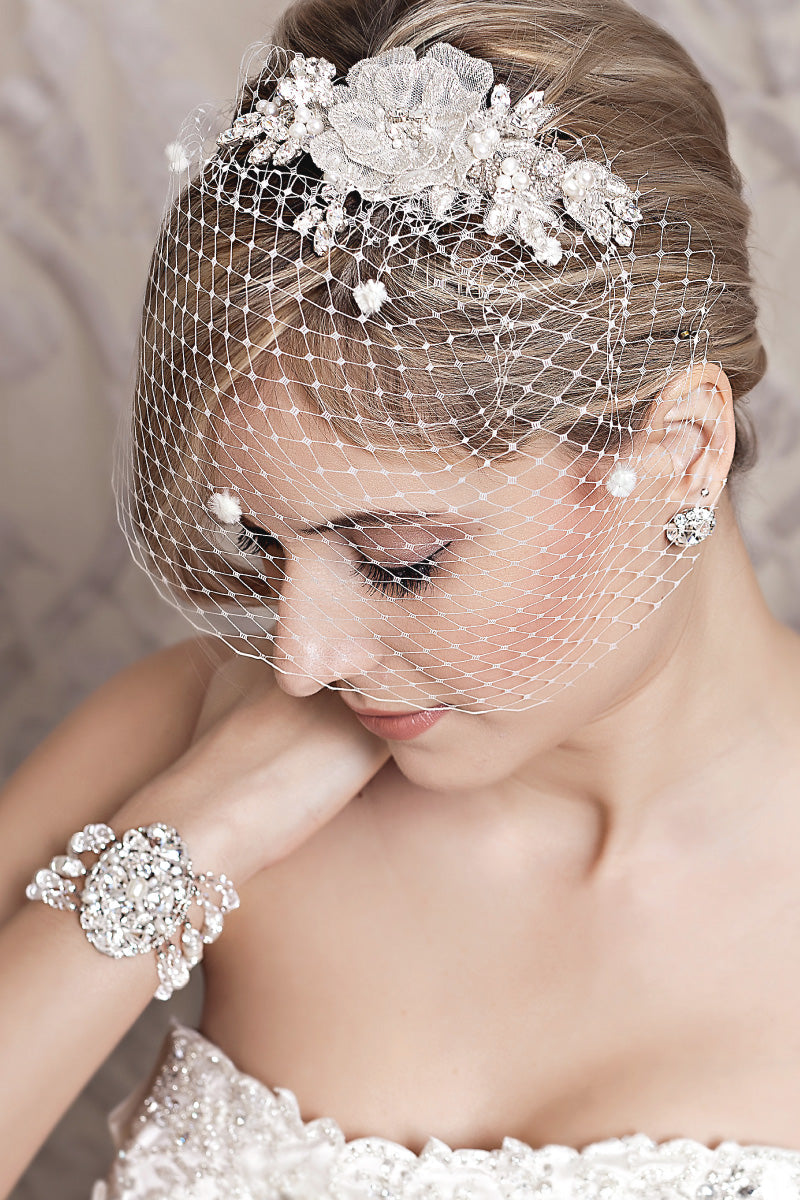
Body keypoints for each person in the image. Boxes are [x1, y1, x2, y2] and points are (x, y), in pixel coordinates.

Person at [3, 0, 800, 1195]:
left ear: (679, 447)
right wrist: (188, 838)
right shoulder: (180, 743)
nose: (298, 658)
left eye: (396, 557)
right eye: (266, 546)